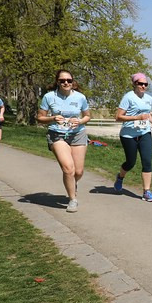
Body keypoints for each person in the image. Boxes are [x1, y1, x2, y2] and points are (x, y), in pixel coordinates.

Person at [37, 70, 91, 212]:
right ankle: (72, 199)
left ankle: (73, 184)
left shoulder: (80, 97)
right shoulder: (49, 97)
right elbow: (40, 118)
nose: (66, 83)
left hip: (77, 134)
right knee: (68, 168)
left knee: (78, 172)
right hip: (57, 134)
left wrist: (79, 121)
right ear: (57, 82)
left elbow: (87, 116)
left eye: (69, 80)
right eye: (62, 80)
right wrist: (52, 118)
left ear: (73, 82)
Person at [113, 72, 152, 202]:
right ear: (134, 84)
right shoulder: (128, 97)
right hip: (128, 134)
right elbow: (118, 117)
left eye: (145, 84)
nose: (143, 86)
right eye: (140, 84)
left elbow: (147, 114)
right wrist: (137, 117)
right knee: (130, 162)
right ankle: (120, 177)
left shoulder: (149, 98)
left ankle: (146, 192)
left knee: (147, 162)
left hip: (144, 132)